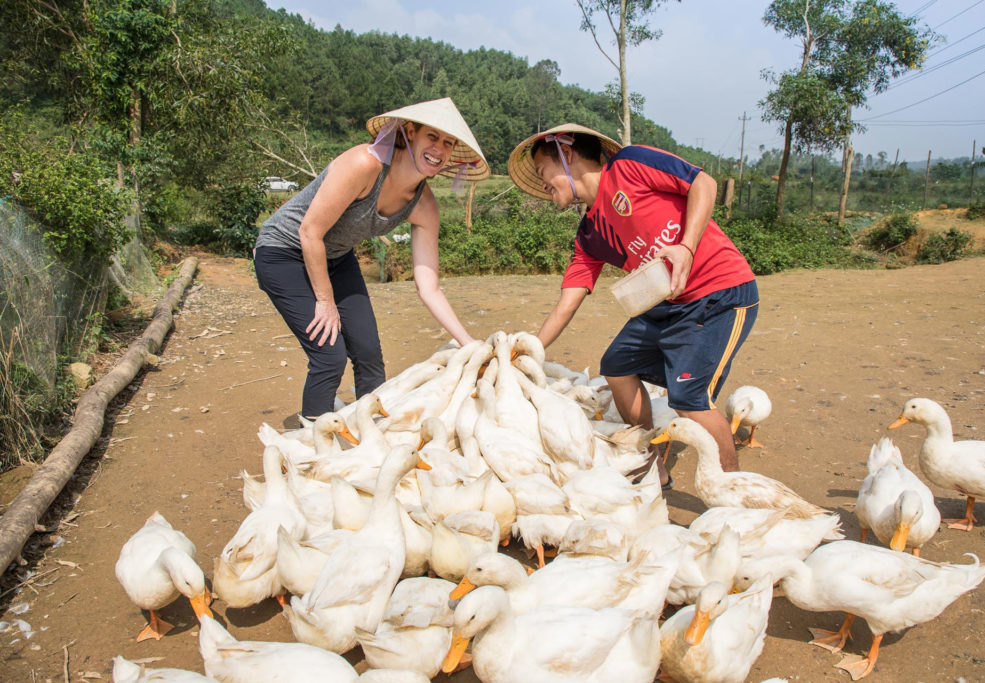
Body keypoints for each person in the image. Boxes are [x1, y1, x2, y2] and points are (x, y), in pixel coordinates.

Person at [507, 124, 757, 487]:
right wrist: (528, 354)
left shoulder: (629, 164)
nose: (543, 184)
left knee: (689, 397)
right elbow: (568, 301)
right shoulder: (590, 234)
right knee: (617, 365)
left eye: (544, 171)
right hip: (669, 304)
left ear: (568, 154)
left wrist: (686, 247)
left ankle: (734, 491)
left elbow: (704, 183)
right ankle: (652, 463)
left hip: (719, 292)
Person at [253, 98, 488, 419]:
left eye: (448, 143)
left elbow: (429, 287)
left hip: (335, 257)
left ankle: (371, 434)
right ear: (409, 133)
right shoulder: (364, 165)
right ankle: (309, 446)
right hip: (283, 252)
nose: (439, 149)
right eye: (431, 137)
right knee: (329, 355)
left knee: (368, 354)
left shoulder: (425, 207)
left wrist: (469, 343)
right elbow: (309, 232)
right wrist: (324, 301)